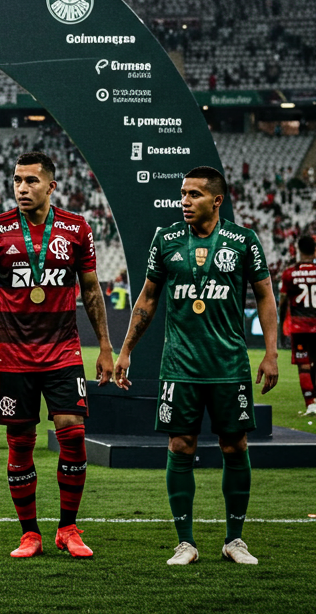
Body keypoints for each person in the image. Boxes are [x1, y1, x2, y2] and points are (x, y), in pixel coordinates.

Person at [115, 165, 279, 566]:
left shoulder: (243, 241)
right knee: (179, 446)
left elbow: (266, 296)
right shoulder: (166, 239)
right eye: (182, 194)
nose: (184, 201)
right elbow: (148, 299)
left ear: (216, 200)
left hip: (229, 365)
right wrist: (125, 351)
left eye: (194, 195)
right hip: (179, 366)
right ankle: (185, 542)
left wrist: (271, 353)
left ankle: (234, 540)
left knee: (234, 446)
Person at [0, 151, 114, 560]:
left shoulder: (76, 228)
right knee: (20, 443)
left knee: (72, 434)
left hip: (63, 351)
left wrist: (104, 346)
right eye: (17, 180)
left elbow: (90, 290)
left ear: (51, 186)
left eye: (31, 181)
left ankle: (67, 527)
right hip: (13, 356)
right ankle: (29, 533)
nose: (22, 188)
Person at [279, 234, 316, 415]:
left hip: (300, 327)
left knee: (304, 365)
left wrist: (280, 327)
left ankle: (310, 403)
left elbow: (283, 301)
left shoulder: (289, 273)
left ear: (298, 250)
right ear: (314, 250)